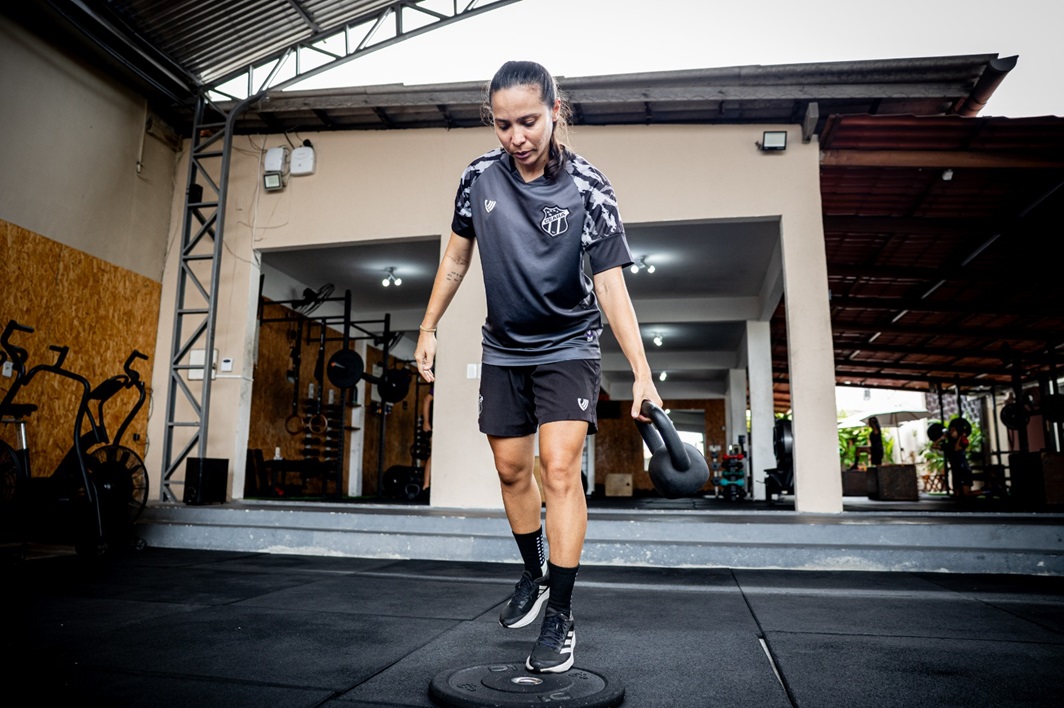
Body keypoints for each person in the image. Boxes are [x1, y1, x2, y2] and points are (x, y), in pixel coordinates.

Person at [414, 60, 662, 674]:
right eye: (503, 125)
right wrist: (427, 326)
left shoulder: (588, 187)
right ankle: (534, 571)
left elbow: (611, 287)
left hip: (570, 344)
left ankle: (562, 614)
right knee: (509, 467)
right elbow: (454, 261)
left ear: (556, 111)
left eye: (528, 121)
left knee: (559, 470)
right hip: (503, 347)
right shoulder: (477, 178)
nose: (516, 137)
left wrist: (642, 370)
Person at [420, 387, 433, 494]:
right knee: (434, 454)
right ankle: (426, 485)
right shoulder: (436, 387)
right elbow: (426, 400)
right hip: (433, 426)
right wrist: (426, 421)